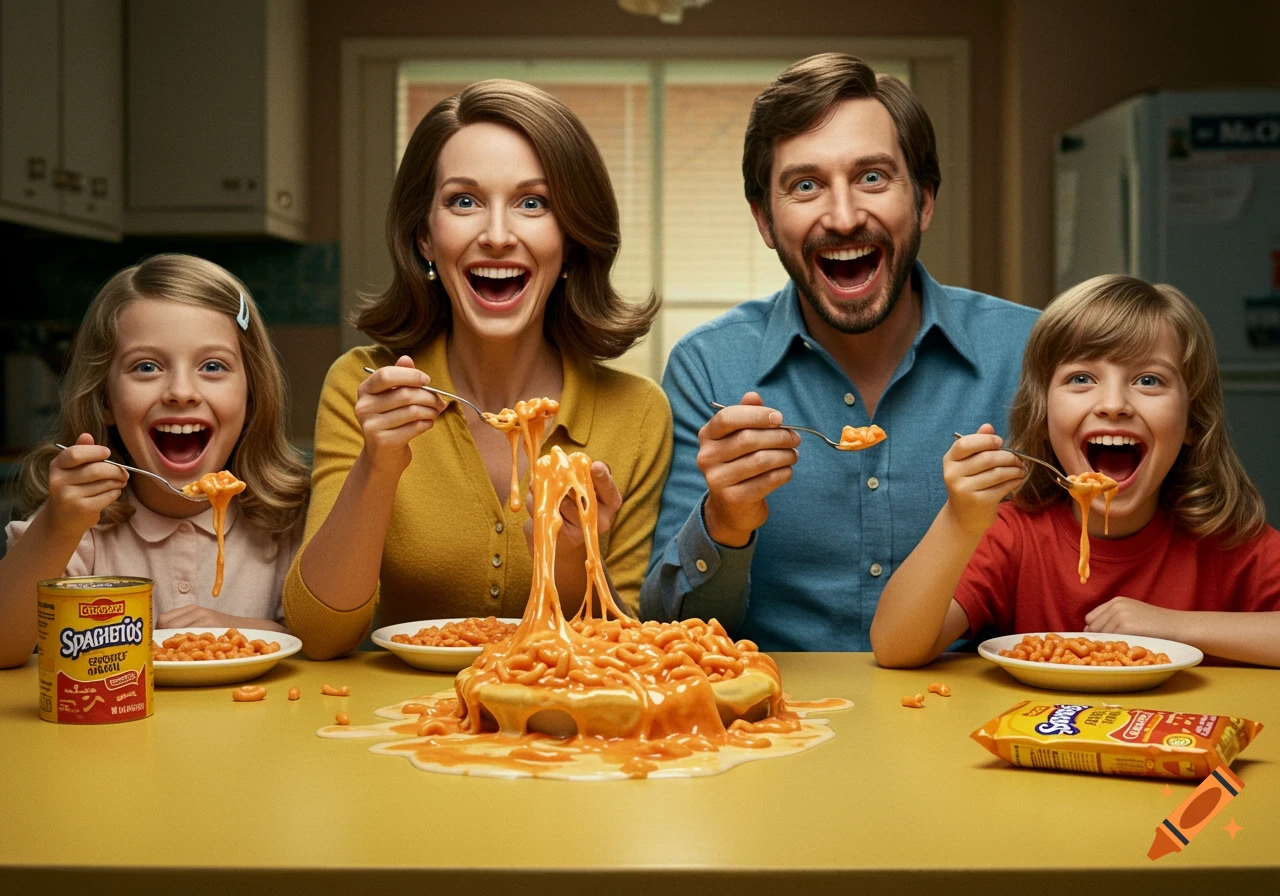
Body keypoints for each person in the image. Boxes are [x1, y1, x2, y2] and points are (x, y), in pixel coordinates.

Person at [640, 53, 1038, 650]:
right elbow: (667, 632)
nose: (845, 216)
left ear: (924, 201)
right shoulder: (709, 368)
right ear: (765, 221)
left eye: (872, 178)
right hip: (776, 723)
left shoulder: (1030, 353)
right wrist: (726, 521)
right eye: (806, 186)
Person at [284, 79, 672, 660]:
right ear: (424, 238)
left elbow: (617, 647)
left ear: (570, 239)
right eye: (463, 201)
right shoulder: (361, 384)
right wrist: (378, 466)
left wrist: (568, 556)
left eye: (533, 202)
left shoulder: (636, 413)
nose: (496, 235)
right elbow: (318, 636)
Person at [870, 275, 1280, 668]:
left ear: (1193, 422)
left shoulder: (1224, 540)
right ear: (1044, 414)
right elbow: (895, 648)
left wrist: (1173, 626)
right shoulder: (1014, 535)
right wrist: (959, 520)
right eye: (1082, 378)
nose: (1114, 403)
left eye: (1149, 380)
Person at [0, 254, 309, 668]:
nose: (181, 391)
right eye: (146, 367)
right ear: (105, 399)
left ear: (251, 398)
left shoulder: (289, 518)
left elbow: (320, 645)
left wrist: (234, 631)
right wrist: (58, 525)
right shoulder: (81, 527)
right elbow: (4, 649)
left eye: (212, 366)